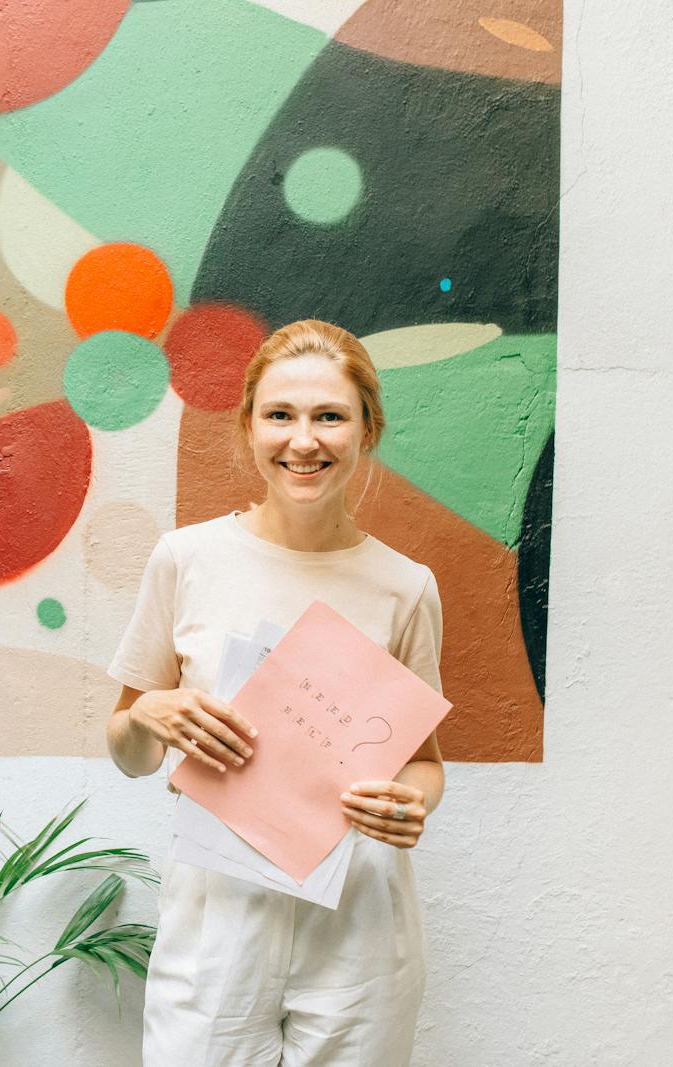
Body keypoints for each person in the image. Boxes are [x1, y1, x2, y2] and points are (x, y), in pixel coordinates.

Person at [105, 319, 445, 1066]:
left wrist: (414, 801)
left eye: (330, 416)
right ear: (249, 426)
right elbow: (127, 750)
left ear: (366, 429)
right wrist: (148, 715)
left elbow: (424, 762)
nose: (304, 440)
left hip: (358, 920)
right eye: (281, 415)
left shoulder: (406, 587)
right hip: (217, 915)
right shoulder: (186, 559)